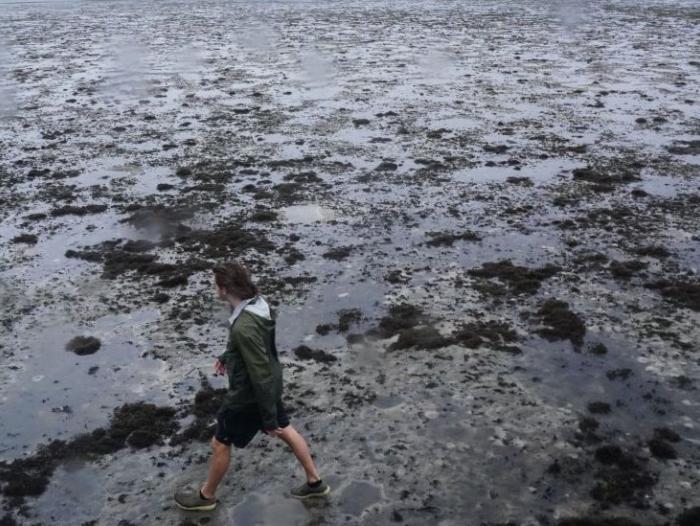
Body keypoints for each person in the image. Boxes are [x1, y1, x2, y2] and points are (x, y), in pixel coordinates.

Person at [175, 262, 330, 511]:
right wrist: (228, 356)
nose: (214, 289)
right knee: (287, 429)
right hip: (267, 387)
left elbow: (259, 371)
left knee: (220, 443)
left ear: (224, 289)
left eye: (216, 285)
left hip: (249, 395)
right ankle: (315, 482)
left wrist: (267, 418)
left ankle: (205, 497)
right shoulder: (258, 305)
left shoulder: (243, 327)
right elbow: (256, 348)